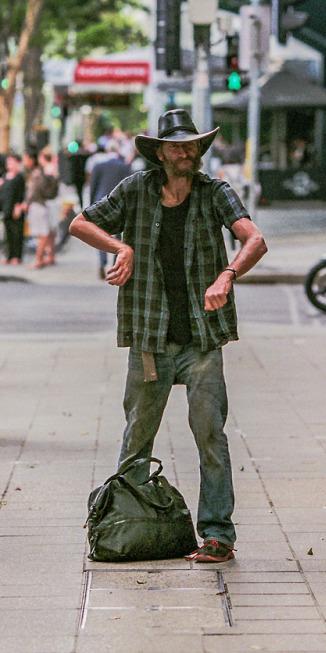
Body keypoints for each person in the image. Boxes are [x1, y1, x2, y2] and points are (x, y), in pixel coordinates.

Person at [69, 109, 267, 563]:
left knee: (210, 437)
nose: (186, 152)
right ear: (159, 152)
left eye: (192, 144)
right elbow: (80, 223)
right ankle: (126, 526)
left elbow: (254, 239)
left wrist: (228, 275)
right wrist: (120, 246)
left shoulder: (214, 192)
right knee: (137, 438)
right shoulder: (136, 190)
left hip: (201, 340)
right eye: (177, 145)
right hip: (149, 339)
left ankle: (217, 535)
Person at [88, 139, 131, 279]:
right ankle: (115, 262)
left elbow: (93, 186)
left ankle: (102, 262)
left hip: (101, 202)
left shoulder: (98, 166)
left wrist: (90, 206)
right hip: (119, 203)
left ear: (107, 151)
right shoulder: (124, 166)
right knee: (118, 234)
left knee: (101, 233)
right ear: (118, 151)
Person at [22, 147, 59, 269]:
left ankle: (39, 259)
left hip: (40, 204)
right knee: (47, 231)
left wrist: (27, 202)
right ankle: (47, 256)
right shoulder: (45, 170)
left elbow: (35, 190)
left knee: (42, 233)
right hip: (45, 203)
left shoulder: (40, 172)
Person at [0, 153, 26, 265]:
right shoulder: (5, 176)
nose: (9, 164)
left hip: (15, 207)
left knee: (17, 233)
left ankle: (16, 255)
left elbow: (22, 193)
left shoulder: (19, 177)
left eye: (11, 162)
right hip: (6, 207)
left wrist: (18, 206)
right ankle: (8, 255)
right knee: (7, 233)